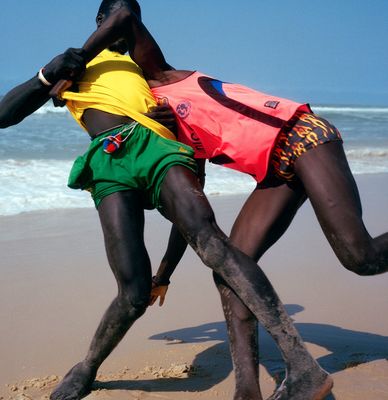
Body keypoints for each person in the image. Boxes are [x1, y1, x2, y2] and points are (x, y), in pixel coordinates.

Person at [0, 1, 333, 400]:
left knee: (215, 246)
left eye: (135, 17)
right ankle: (87, 365)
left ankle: (301, 363)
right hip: (107, 160)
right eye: (117, 14)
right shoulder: (72, 66)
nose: (127, 23)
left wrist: (167, 270)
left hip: (159, 149)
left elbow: (194, 128)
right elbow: (5, 114)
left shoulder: (146, 67)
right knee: (133, 291)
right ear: (99, 23)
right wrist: (45, 75)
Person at [92, 2, 388, 400]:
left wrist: (80, 53)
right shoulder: (165, 136)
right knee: (229, 272)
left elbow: (125, 16)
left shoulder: (158, 75)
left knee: (361, 257)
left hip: (301, 135)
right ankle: (246, 391)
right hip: (273, 172)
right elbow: (192, 220)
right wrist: (163, 276)